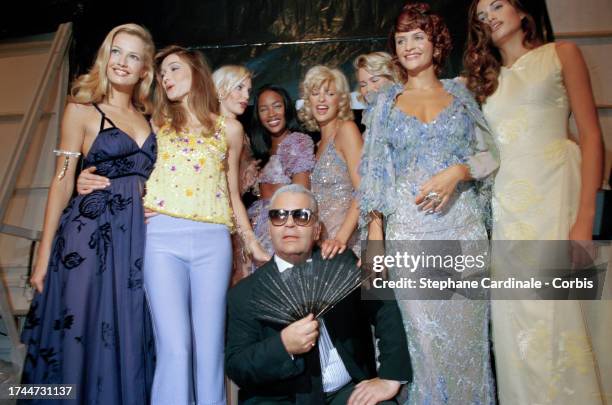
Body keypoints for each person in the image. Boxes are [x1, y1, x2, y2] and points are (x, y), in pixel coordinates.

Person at [76, 45, 269, 405]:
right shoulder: (152, 126)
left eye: (174, 69)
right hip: (160, 240)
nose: (166, 77)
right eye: (162, 72)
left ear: (196, 71)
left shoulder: (229, 129)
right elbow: (118, 165)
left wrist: (252, 244)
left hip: (213, 242)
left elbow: (231, 194)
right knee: (175, 347)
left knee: (209, 348)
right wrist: (85, 179)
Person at [465, 0, 606, 403]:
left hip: (557, 197)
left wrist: (584, 220)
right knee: (519, 326)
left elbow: (593, 137)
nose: (489, 16)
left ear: (522, 11)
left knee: (565, 314)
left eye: (497, 5)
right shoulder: (484, 82)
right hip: (510, 210)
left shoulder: (562, 55)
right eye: (481, 14)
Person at [358, 3, 498, 404]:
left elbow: (492, 154)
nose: (408, 46)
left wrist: (458, 172)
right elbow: (375, 172)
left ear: (436, 44)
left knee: (469, 348)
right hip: (410, 237)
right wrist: (375, 236)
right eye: (401, 40)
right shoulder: (385, 102)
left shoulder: (461, 92)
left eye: (417, 36)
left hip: (463, 233)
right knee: (423, 348)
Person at [20, 23, 156, 404]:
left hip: (137, 242)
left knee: (127, 333)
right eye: (116, 51)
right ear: (104, 57)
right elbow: (61, 183)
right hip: (88, 236)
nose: (122, 62)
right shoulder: (81, 109)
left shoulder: (151, 116)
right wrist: (43, 257)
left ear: (145, 69)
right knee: (81, 333)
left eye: (133, 56)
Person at [225, 184, 411, 404]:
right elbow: (237, 366)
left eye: (301, 216)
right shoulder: (245, 293)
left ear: (317, 230)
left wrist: (390, 377)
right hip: (282, 399)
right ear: (270, 227)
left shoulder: (341, 263)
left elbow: (383, 307)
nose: (290, 223)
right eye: (279, 216)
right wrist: (283, 346)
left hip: (349, 393)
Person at [299, 66, 363, 258]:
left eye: (329, 93)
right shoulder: (317, 145)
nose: (321, 99)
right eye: (315, 93)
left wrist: (341, 238)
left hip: (347, 246)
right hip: (323, 249)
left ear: (341, 100)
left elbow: (364, 190)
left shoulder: (347, 130)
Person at [247, 84, 315, 260]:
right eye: (264, 109)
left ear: (287, 108)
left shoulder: (297, 142)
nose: (271, 114)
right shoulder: (261, 151)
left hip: (283, 227)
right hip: (258, 231)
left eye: (277, 106)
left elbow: (301, 195)